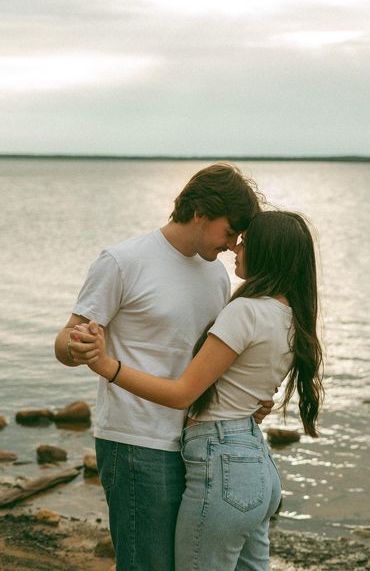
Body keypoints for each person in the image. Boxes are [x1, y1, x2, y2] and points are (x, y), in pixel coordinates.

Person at [71, 210, 324, 571]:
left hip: (223, 464)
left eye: (245, 241)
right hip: (257, 465)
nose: (235, 247)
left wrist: (105, 365)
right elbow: (244, 383)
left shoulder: (247, 311)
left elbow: (182, 394)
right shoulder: (290, 316)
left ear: (266, 251)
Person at [54, 162, 270, 571]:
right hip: (136, 444)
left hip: (200, 445)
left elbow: (208, 362)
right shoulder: (122, 261)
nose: (233, 243)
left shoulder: (217, 278)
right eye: (230, 230)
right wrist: (79, 348)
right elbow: (65, 340)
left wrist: (248, 399)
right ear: (201, 211)